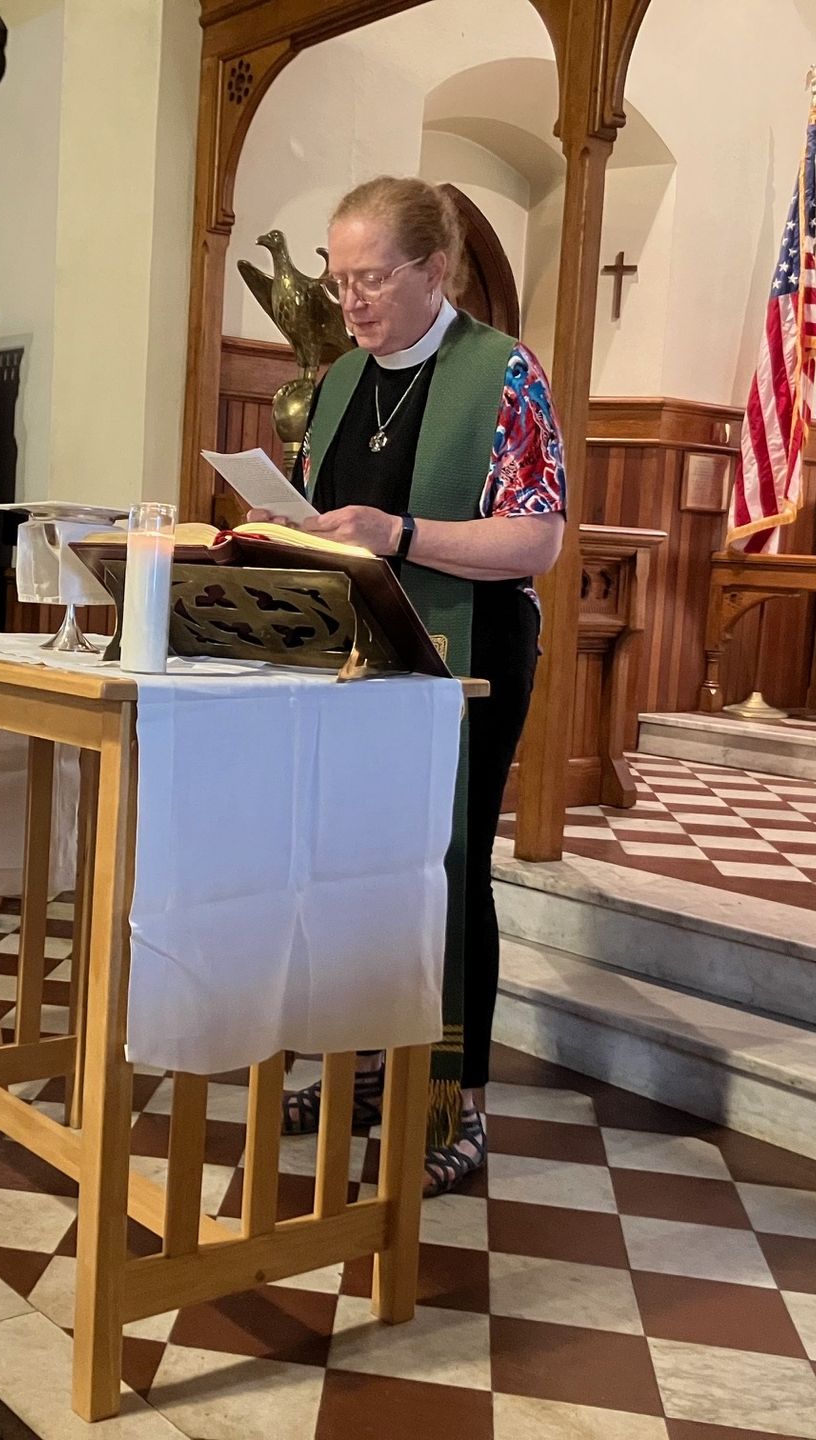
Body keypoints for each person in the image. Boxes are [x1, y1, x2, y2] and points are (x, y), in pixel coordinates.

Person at [256, 176, 566, 1198]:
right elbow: (320, 515)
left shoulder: (504, 373)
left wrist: (399, 534)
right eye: (340, 280)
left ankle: (456, 1101)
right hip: (353, 655)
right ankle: (368, 1071)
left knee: (446, 864)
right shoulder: (343, 379)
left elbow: (540, 536)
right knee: (350, 865)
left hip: (467, 653)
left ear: (435, 270)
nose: (351, 302)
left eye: (372, 278)